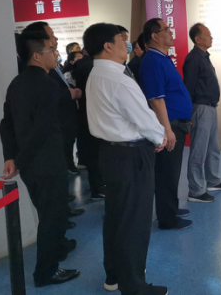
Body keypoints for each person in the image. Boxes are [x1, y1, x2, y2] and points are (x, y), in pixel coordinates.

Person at [84, 23, 168, 295]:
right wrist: (160, 138)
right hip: (131, 154)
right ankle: (134, 285)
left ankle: (114, 275)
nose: (127, 45)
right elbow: (144, 119)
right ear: (108, 46)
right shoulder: (119, 80)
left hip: (110, 153)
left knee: (116, 217)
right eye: (122, 40)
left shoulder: (96, 73)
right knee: (135, 220)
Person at [0, 31, 80, 287]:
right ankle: (46, 272)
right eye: (51, 50)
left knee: (47, 214)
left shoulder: (16, 83)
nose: (56, 55)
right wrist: (19, 160)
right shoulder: (47, 84)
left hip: (30, 165)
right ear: (37, 55)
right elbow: (42, 129)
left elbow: (6, 124)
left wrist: (11, 157)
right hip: (47, 162)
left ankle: (56, 252)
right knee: (52, 218)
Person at [141, 18, 193, 230]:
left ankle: (171, 207)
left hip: (176, 123)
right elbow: (156, 99)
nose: (171, 33)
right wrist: (167, 129)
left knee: (172, 170)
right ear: (154, 36)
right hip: (169, 125)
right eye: (166, 29)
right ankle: (167, 218)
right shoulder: (152, 61)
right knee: (166, 172)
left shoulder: (162, 58)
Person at [23, 22, 82, 175]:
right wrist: (69, 94)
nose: (55, 39)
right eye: (51, 36)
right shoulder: (35, 79)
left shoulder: (52, 68)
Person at [184, 23, 221, 203]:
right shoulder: (193, 59)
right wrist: (188, 114)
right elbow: (188, 88)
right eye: (208, 35)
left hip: (211, 108)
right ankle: (195, 190)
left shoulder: (204, 57)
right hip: (201, 108)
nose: (211, 37)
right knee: (199, 150)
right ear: (198, 39)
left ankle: (213, 181)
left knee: (213, 148)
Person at [72, 48, 105, 200]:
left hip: (85, 113)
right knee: (96, 153)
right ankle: (98, 188)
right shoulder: (92, 66)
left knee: (91, 151)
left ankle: (98, 186)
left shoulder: (80, 64)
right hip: (94, 114)